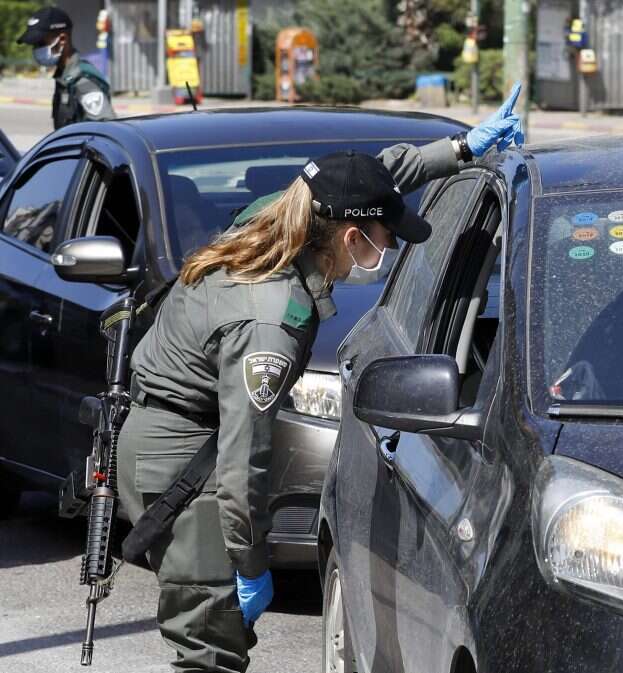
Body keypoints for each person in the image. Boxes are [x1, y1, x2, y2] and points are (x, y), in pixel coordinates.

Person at [116, 86, 524, 672]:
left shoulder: (287, 213)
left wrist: (459, 148)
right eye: (385, 236)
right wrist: (251, 564)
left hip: (180, 438)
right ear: (351, 238)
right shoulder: (270, 322)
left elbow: (371, 176)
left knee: (213, 637)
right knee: (210, 647)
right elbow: (242, 462)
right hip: (184, 464)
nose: (389, 245)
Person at [17, 6, 115, 130]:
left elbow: (107, 130)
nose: (36, 50)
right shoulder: (64, 77)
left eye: (41, 43)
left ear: (62, 40)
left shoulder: (82, 80)